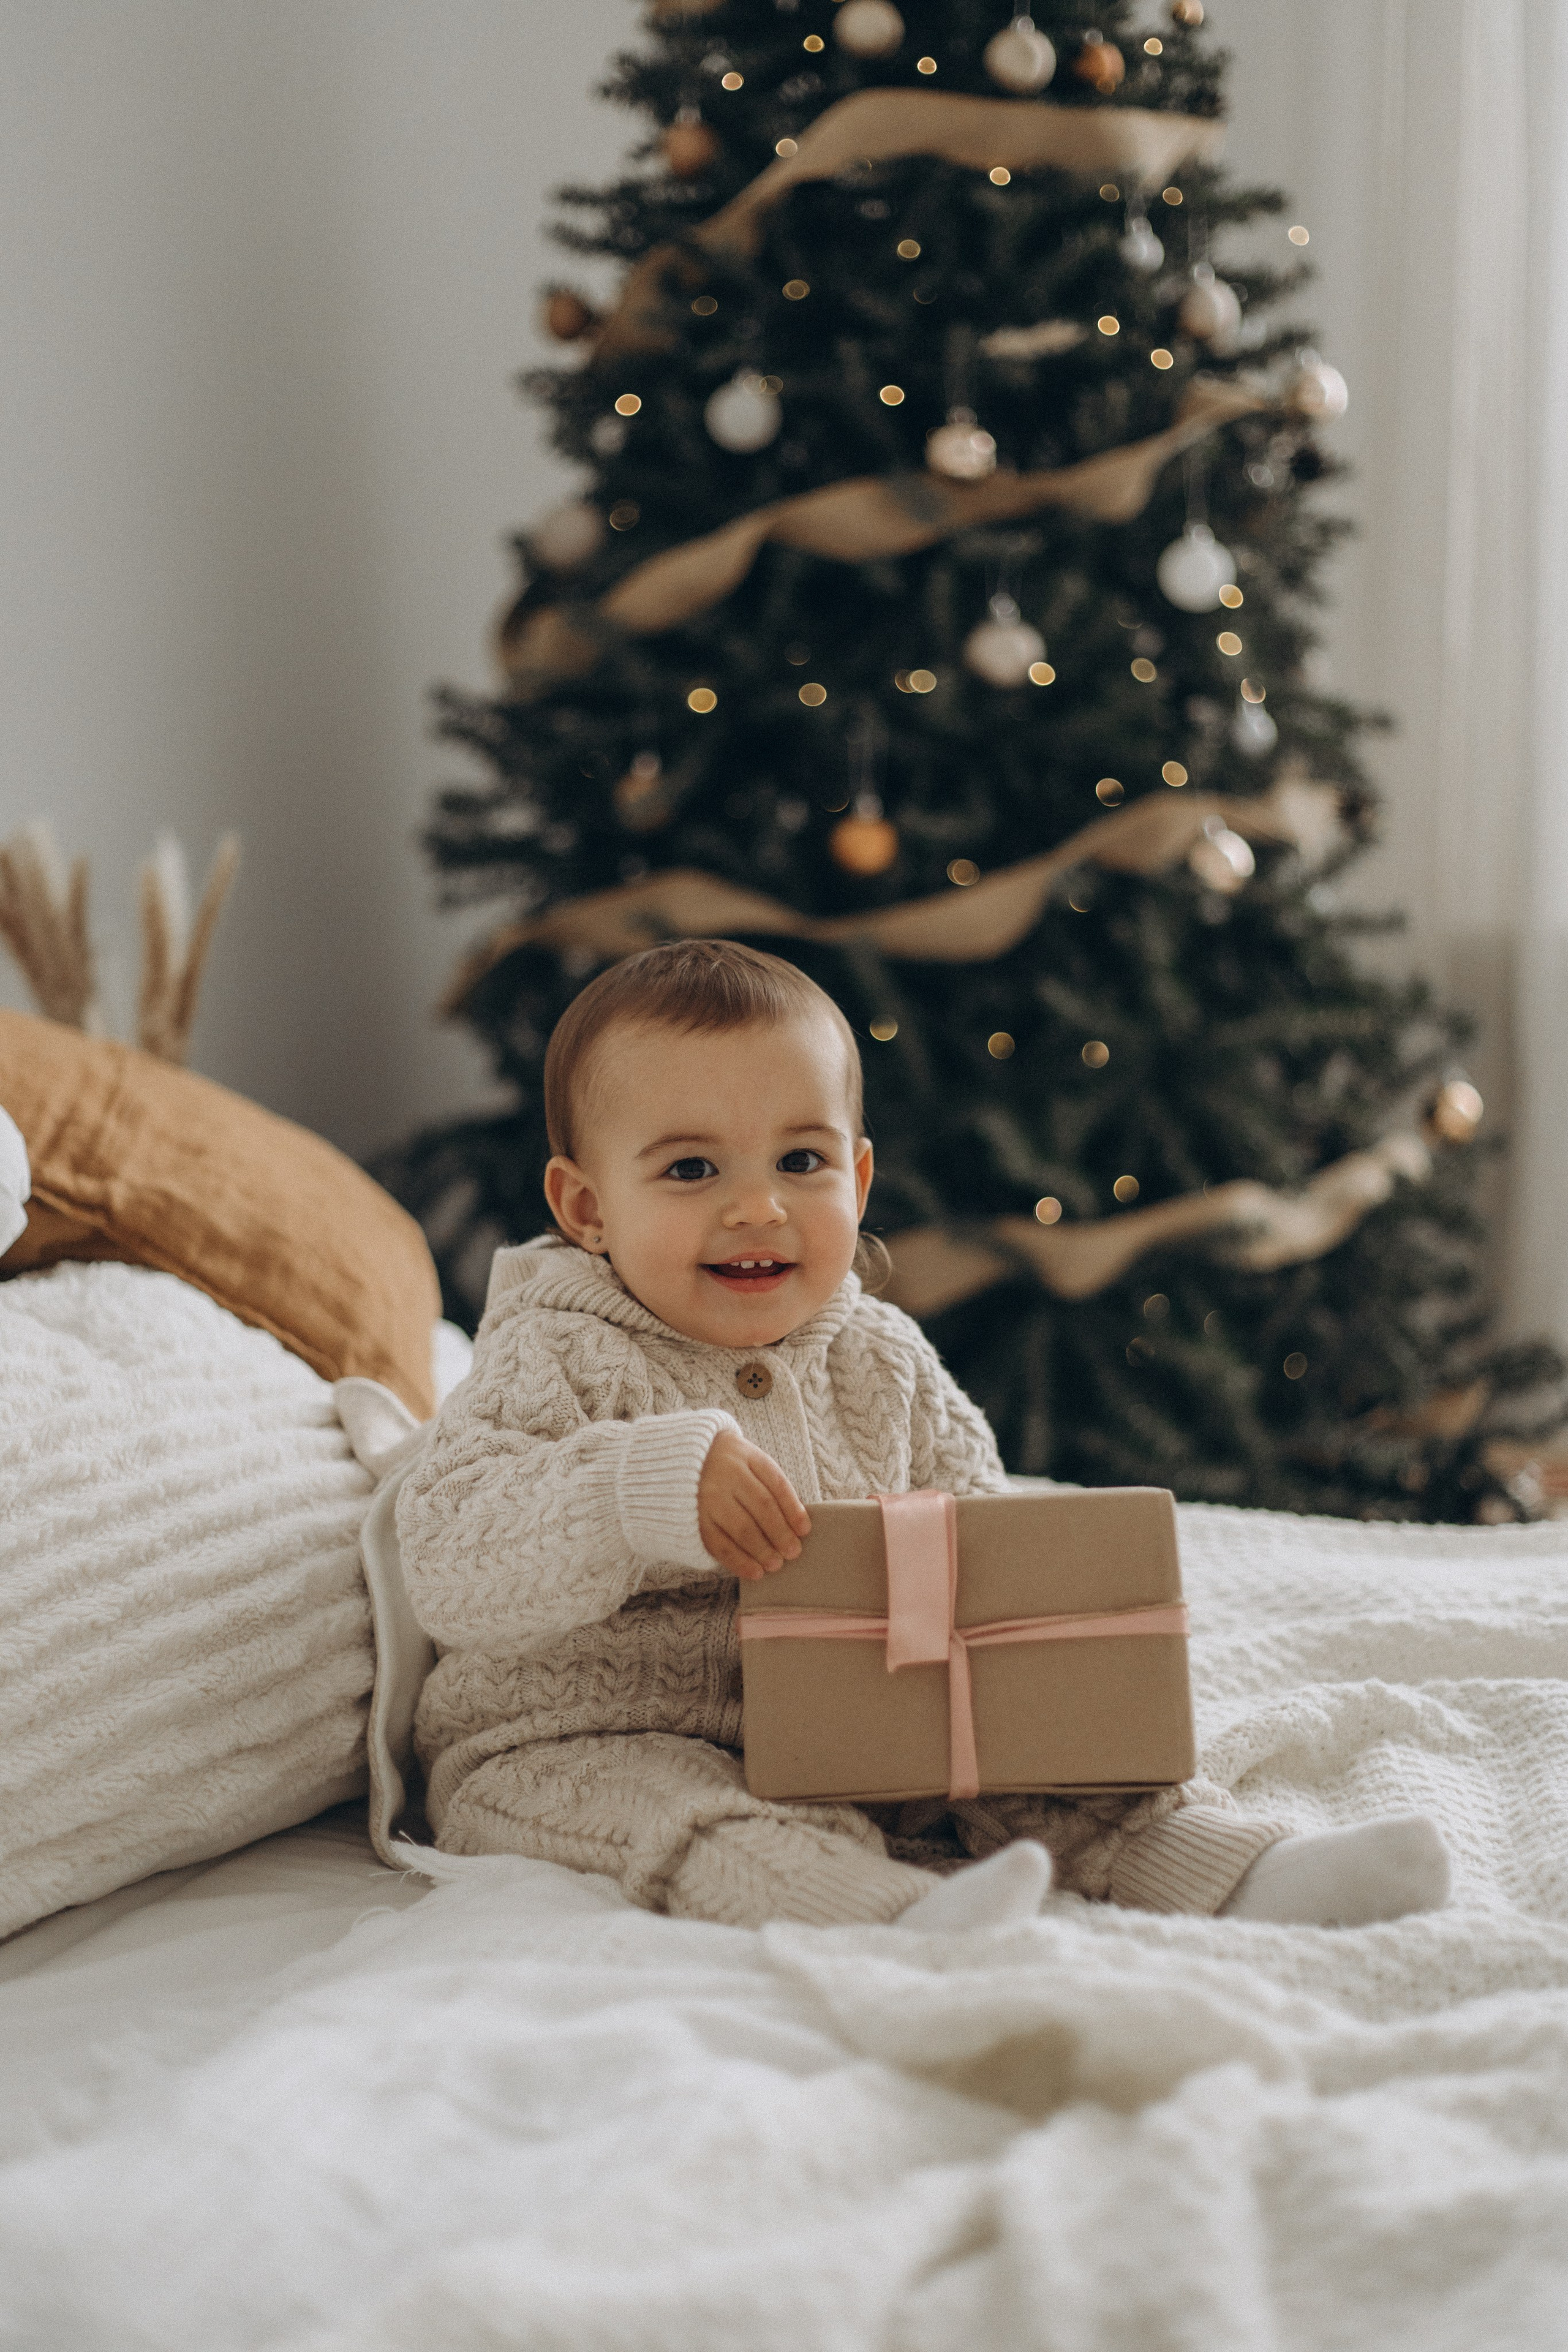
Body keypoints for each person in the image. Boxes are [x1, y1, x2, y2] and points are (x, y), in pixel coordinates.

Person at [395, 940, 1450, 1933]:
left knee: (1049, 1756)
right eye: (690, 1172)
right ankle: (891, 1916)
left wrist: (1043, 1677)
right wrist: (637, 1485)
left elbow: (982, 1537)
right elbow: (449, 1553)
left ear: (856, 1183)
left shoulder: (882, 1358)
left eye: (799, 1160)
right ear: (585, 1207)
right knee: (688, 1817)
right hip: (586, 1735)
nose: (758, 1207)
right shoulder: (557, 1353)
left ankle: (1230, 1869)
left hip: (866, 1724)